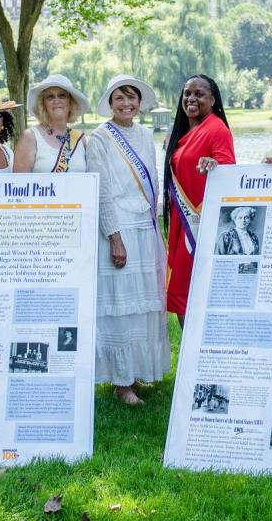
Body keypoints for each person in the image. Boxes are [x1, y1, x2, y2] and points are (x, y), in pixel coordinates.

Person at [86, 75, 170, 405]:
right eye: (119, 98)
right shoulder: (100, 138)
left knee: (145, 303)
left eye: (131, 98)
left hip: (144, 225)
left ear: (139, 102)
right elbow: (102, 190)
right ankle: (121, 383)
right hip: (118, 226)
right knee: (122, 304)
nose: (126, 104)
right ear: (110, 102)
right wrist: (114, 237)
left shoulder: (146, 134)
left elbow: (154, 184)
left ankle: (136, 372)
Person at [164, 75, 235, 329]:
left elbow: (228, 172)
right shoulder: (186, 131)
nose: (191, 98)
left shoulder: (216, 129)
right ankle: (190, 354)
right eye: (187, 94)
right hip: (182, 222)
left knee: (188, 292)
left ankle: (197, 352)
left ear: (213, 100)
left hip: (199, 224)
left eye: (199, 94)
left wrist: (215, 166)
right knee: (181, 290)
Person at [13, 75, 89, 173]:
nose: (56, 101)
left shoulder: (81, 139)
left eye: (62, 96)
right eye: (50, 97)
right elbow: (19, 184)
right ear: (43, 104)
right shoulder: (31, 137)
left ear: (70, 102)